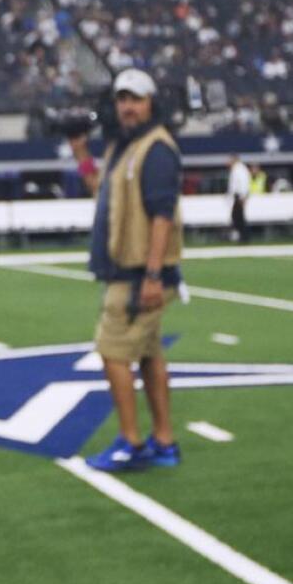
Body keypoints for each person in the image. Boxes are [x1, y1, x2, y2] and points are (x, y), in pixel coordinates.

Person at [84, 68, 184, 473]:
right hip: (132, 272)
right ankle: (164, 441)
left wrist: (154, 275)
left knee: (112, 353)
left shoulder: (156, 149)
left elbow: (163, 216)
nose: (126, 106)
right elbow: (101, 194)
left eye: (135, 98)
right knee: (148, 357)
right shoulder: (127, 146)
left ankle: (132, 442)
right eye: (122, 99)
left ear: (151, 103)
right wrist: (79, 153)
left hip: (140, 275)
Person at [227, 154, 251, 243]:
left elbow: (244, 183)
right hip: (237, 196)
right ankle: (242, 236)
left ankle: (244, 237)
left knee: (239, 217)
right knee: (236, 217)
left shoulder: (240, 169)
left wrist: (243, 196)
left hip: (239, 196)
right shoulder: (236, 169)